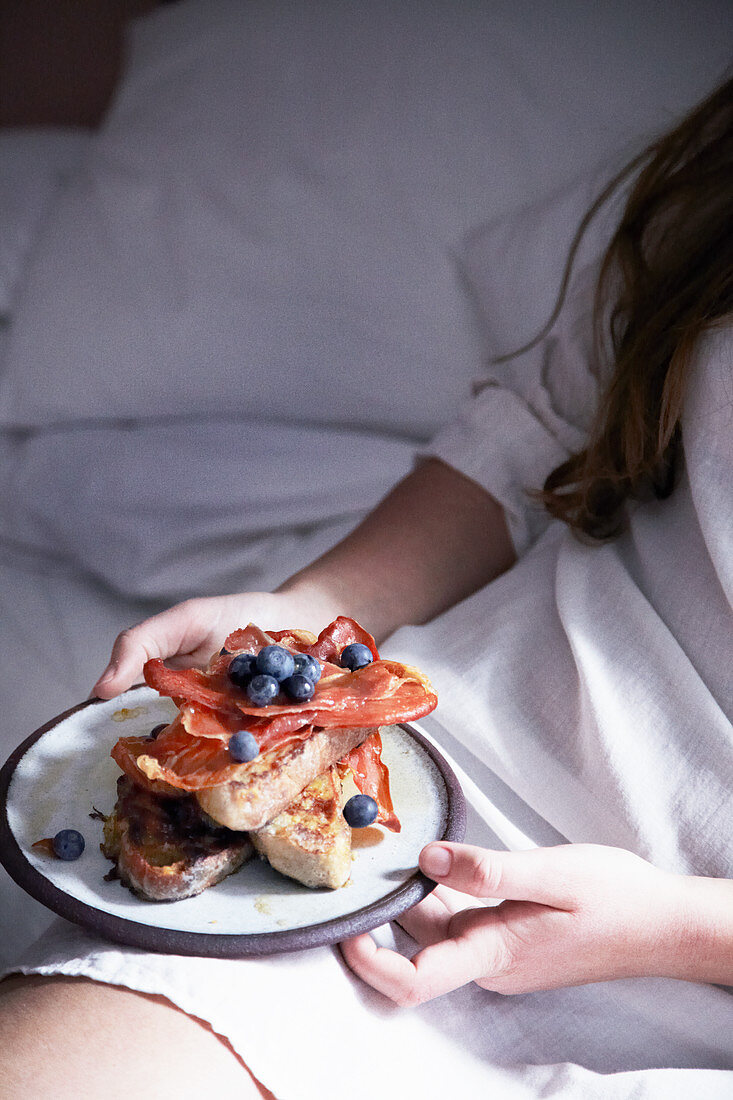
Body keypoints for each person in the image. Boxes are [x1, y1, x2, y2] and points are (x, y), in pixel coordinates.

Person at [0, 77, 731, 1100]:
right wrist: (317, 611)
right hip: (393, 822)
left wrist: (684, 928)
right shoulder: (718, 183)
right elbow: (539, 432)